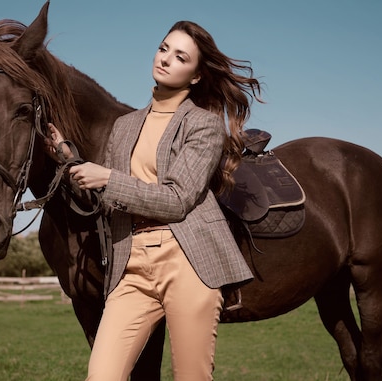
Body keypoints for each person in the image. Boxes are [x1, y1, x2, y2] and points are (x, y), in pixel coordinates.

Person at [46, 20, 262, 381]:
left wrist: (108, 178)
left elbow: (178, 199)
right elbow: (111, 193)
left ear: (195, 76)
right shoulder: (125, 125)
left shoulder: (203, 126)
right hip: (131, 265)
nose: (165, 59)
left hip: (188, 261)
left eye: (180, 57)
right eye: (164, 49)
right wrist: (71, 158)